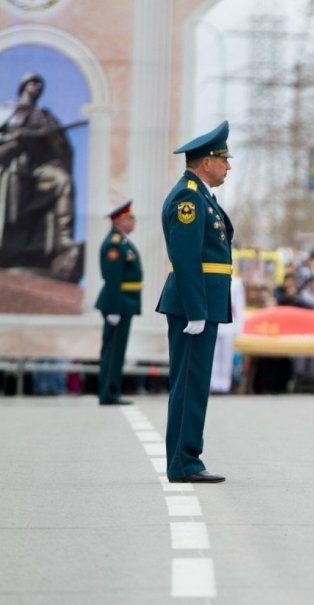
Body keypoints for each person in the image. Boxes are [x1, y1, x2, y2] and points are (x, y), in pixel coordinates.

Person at [156, 120, 234, 484]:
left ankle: (185, 457)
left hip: (203, 303)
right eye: (224, 159)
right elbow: (186, 259)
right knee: (189, 383)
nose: (228, 166)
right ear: (207, 162)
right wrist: (196, 310)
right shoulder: (189, 198)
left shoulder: (201, 195)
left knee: (194, 383)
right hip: (195, 306)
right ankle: (184, 462)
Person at [0, 73, 82, 281]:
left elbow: (61, 149)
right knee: (14, 179)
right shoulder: (8, 109)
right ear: (23, 86)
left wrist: (52, 139)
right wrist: (14, 139)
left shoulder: (44, 116)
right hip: (12, 166)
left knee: (62, 181)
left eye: (40, 83)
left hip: (37, 170)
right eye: (32, 82)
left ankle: (63, 238)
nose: (37, 86)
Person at [94, 200, 142, 405]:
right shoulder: (114, 243)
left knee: (117, 350)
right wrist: (114, 309)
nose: (133, 222)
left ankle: (112, 390)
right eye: (130, 218)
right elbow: (112, 278)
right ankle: (108, 393)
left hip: (125, 303)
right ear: (119, 221)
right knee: (113, 350)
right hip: (117, 304)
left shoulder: (122, 242)